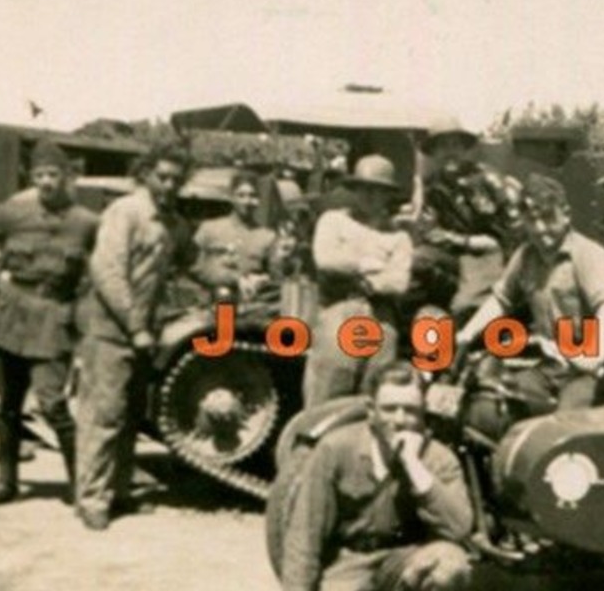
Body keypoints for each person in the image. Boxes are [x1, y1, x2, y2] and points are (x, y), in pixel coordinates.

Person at [267, 364, 474, 591]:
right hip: (348, 562)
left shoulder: (438, 458)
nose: (400, 419)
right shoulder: (337, 448)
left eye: (411, 410)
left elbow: (459, 528)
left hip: (403, 561)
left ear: (424, 413)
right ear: (371, 411)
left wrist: (413, 465)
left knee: (451, 568)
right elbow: (305, 528)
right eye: (389, 408)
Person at [0, 139, 99, 508]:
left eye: (54, 174)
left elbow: (97, 275)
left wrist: (82, 319)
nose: (47, 182)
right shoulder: (14, 213)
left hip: (53, 319)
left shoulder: (86, 223)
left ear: (67, 177)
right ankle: (6, 483)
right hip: (11, 316)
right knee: (8, 405)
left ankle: (82, 487)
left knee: (53, 406)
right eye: (40, 175)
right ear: (32, 178)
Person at [72, 144, 191, 531]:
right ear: (145, 175)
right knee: (103, 414)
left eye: (177, 179)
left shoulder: (172, 222)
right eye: (163, 177)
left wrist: (232, 277)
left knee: (130, 416)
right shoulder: (125, 212)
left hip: (145, 332)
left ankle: (119, 491)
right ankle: (92, 498)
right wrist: (135, 326)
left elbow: (192, 262)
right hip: (111, 329)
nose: (170, 185)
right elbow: (107, 272)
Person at [455, 174, 604, 412]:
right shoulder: (527, 255)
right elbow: (501, 299)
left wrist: (593, 356)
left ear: (566, 214)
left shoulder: (588, 255)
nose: (539, 228)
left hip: (596, 371)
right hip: (553, 366)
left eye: (548, 218)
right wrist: (466, 335)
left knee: (566, 425)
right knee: (491, 406)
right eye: (532, 219)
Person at [301, 154, 413, 408]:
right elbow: (326, 259)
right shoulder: (333, 220)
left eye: (379, 191)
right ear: (354, 190)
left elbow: (398, 281)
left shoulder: (398, 236)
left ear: (388, 195)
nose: (371, 197)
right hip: (339, 313)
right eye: (365, 189)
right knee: (327, 395)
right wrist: (365, 265)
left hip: (382, 319)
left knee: (373, 399)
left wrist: (369, 282)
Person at [406, 119, 523, 314]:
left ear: (464, 149)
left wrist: (511, 267)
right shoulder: (433, 186)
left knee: (467, 306)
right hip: (456, 253)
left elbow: (515, 225)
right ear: (434, 153)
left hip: (491, 254)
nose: (449, 152)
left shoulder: (488, 179)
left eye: (455, 145)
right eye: (442, 146)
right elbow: (429, 231)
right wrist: (466, 241)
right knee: (416, 259)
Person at [190, 169, 276, 298]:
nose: (247, 201)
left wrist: (263, 279)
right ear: (231, 197)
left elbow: (275, 275)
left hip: (252, 304)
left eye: (253, 196)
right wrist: (230, 277)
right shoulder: (210, 228)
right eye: (241, 195)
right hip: (211, 301)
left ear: (258, 199)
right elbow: (194, 266)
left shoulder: (267, 236)